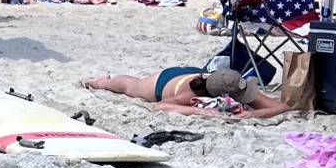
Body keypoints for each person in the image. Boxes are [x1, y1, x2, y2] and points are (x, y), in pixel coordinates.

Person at [85, 68, 292, 119]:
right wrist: (201, 112)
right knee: (132, 86)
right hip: (166, 82)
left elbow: (283, 106)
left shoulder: (233, 84)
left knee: (133, 85)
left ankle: (103, 81)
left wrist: (256, 114)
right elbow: (160, 106)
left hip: (199, 74)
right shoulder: (189, 94)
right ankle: (100, 82)